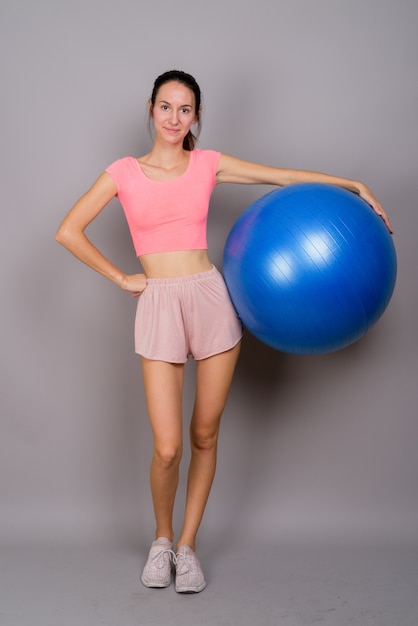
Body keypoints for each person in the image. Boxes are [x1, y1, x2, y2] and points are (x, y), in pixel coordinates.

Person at [55, 69, 393, 594]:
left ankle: (188, 547)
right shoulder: (123, 172)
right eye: (166, 107)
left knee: (204, 434)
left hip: (212, 301)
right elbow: (68, 231)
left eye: (185, 109)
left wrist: (351, 184)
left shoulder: (207, 164)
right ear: (150, 109)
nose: (174, 118)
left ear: (197, 117)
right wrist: (122, 277)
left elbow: (281, 179)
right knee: (167, 446)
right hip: (159, 304)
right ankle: (161, 540)